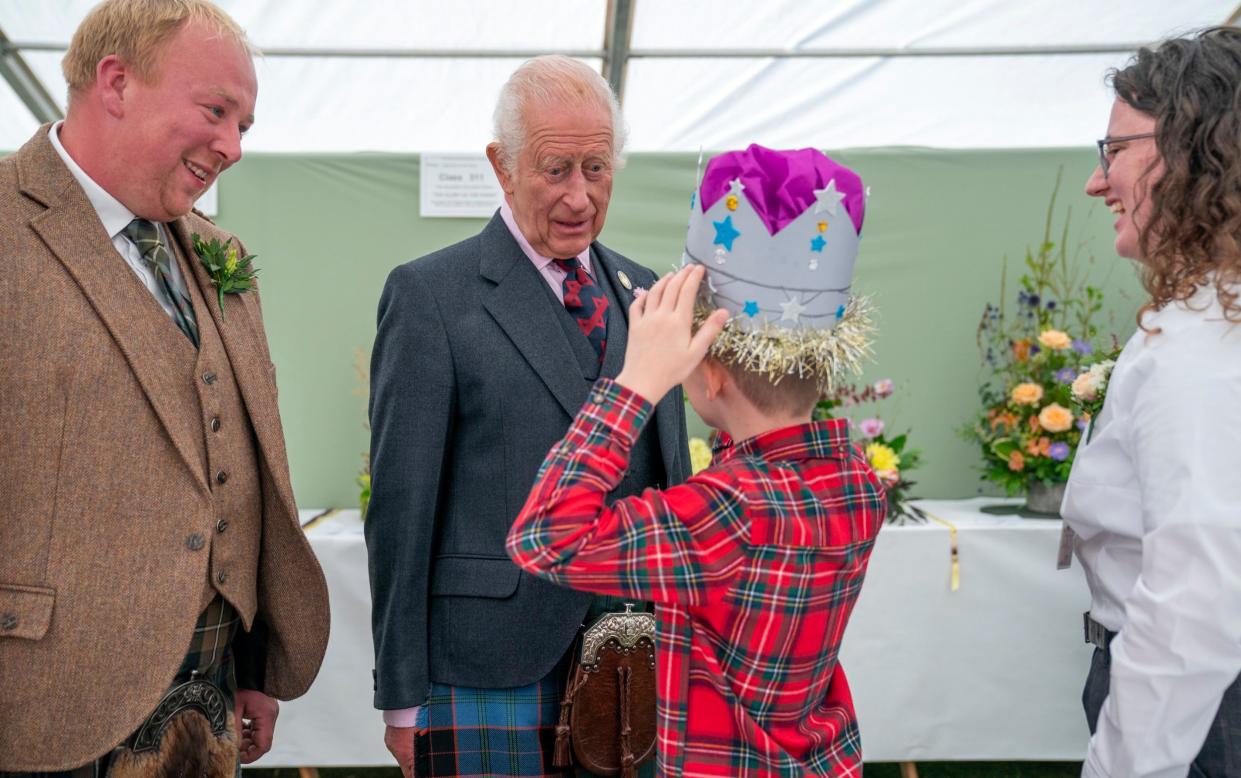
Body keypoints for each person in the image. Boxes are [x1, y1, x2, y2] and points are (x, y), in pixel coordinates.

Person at [0, 1, 329, 774]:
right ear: (116, 84)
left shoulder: (220, 252)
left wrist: (252, 663)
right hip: (41, 700)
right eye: (216, 112)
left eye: (243, 125)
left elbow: (238, 455)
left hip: (210, 694)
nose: (233, 147)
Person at [506, 144, 888, 776]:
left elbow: (544, 538)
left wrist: (635, 384)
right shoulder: (854, 480)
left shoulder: (726, 513)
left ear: (709, 375)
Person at [366, 55, 690, 777]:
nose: (579, 195)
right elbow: (400, 506)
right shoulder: (431, 295)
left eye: (596, 168)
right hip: (484, 664)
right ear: (500, 165)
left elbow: (671, 486)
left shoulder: (649, 295)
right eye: (555, 169)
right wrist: (400, 694)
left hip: (633, 659)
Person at [1063, 26, 1241, 778]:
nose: (1095, 182)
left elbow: (1191, 600)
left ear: (1195, 149)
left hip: (1200, 716)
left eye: (1114, 151)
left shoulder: (1203, 345)